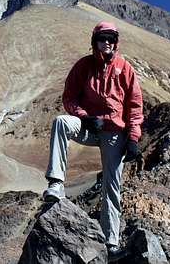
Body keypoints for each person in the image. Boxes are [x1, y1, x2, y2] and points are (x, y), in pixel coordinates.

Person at [42, 21, 143, 258]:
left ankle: (111, 243)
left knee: (112, 186)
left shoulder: (125, 68)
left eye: (111, 38)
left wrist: (134, 138)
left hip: (115, 132)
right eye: (103, 38)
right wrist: (84, 117)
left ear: (116, 42)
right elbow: (69, 98)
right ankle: (56, 185)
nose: (107, 43)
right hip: (90, 126)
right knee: (61, 122)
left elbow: (135, 105)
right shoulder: (83, 66)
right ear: (94, 41)